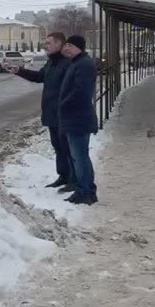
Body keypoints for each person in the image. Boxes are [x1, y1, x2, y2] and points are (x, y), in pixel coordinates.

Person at [9, 33, 74, 191]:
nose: (46, 46)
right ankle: (63, 176)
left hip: (64, 114)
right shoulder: (51, 63)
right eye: (46, 43)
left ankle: (74, 180)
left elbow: (72, 91)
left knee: (68, 148)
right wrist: (19, 70)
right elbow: (39, 77)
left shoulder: (67, 64)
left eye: (49, 43)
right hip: (51, 113)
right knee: (58, 147)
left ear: (59, 44)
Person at [58, 35, 99, 205]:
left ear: (79, 47)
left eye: (70, 45)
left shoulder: (84, 64)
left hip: (79, 119)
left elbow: (81, 92)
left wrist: (64, 104)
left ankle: (85, 192)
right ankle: (86, 189)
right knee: (79, 156)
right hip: (75, 118)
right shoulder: (77, 62)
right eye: (66, 45)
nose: (66, 48)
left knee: (80, 157)